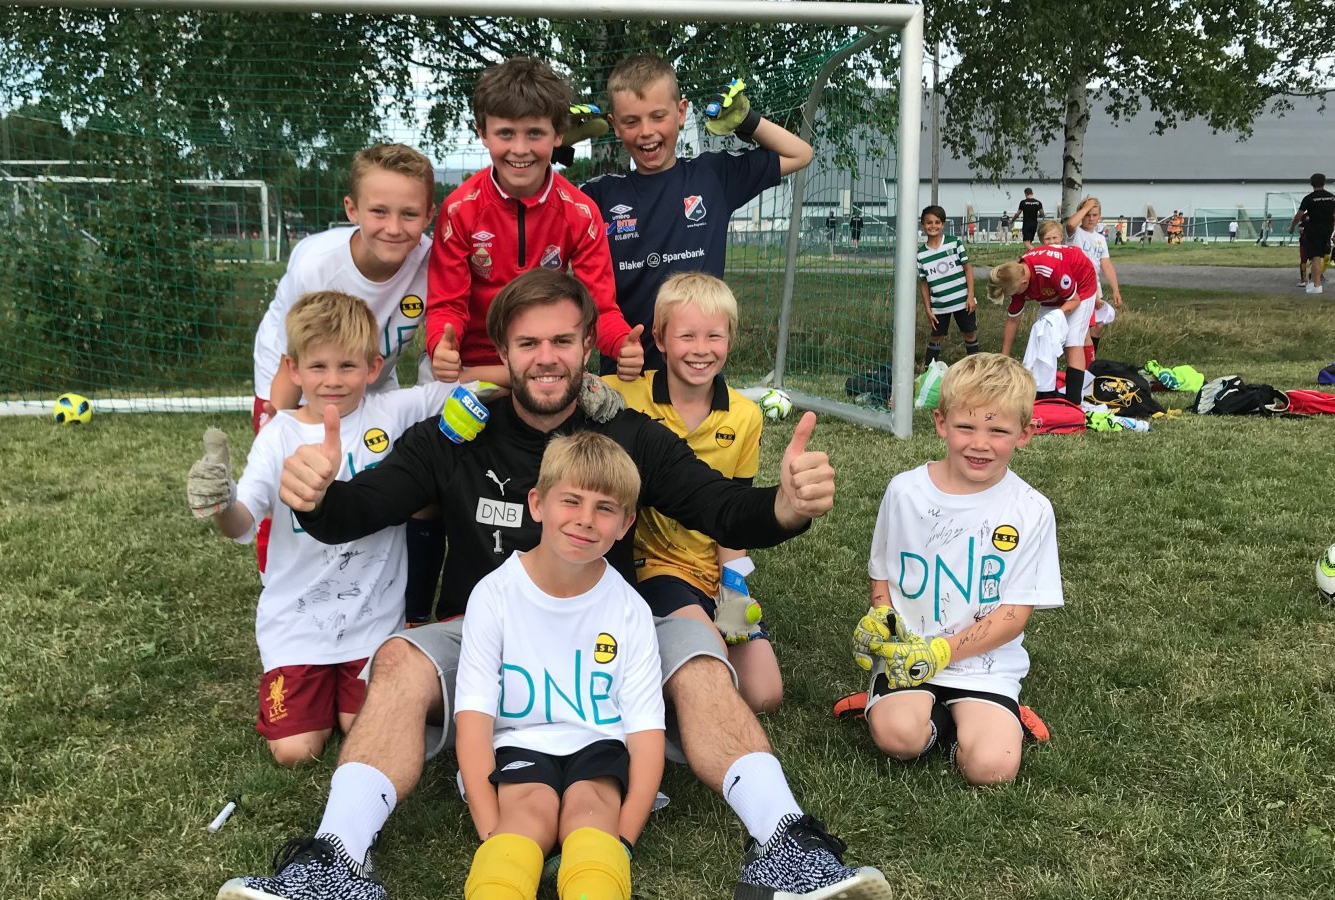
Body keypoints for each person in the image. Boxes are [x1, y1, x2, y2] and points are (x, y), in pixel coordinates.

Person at [216, 268, 890, 900]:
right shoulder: (454, 438)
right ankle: (335, 859)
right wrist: (317, 499)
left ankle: (786, 845)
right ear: (503, 353)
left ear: (588, 346)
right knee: (398, 659)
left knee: (700, 653)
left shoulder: (626, 435)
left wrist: (786, 506)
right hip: (486, 636)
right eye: (529, 343)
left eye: (563, 341)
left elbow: (719, 506)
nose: (547, 358)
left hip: (607, 636)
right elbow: (360, 511)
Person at [187, 291, 463, 767]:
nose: (333, 380)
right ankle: (305, 689)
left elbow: (469, 392)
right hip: (296, 624)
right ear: (293, 369)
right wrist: (221, 503)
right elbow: (242, 522)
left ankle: (345, 694)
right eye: (318, 367)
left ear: (373, 367)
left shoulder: (394, 411)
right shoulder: (279, 435)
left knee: (368, 727)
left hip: (373, 623)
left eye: (347, 366)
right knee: (296, 752)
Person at [456, 431, 664, 900]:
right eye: (571, 500)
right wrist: (492, 834)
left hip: (598, 743)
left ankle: (597, 881)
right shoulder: (494, 596)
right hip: (520, 743)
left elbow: (646, 735)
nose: (585, 520)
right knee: (527, 812)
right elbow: (473, 723)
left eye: (605, 508)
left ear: (626, 523)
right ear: (537, 504)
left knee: (591, 811)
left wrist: (622, 842)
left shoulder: (630, 610)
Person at [848, 353, 1064, 785]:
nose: (980, 443)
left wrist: (943, 652)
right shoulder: (904, 491)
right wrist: (882, 616)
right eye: (966, 426)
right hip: (908, 656)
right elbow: (882, 572)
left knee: (992, 769)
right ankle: (929, 720)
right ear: (941, 422)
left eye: (998, 431)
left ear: (1024, 434)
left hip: (986, 665)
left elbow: (1014, 613)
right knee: (898, 738)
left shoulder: (1031, 509)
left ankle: (980, 723)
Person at [248, 143, 436, 575]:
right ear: (352, 209)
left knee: (371, 476)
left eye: (409, 214)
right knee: (292, 474)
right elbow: (292, 358)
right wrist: (277, 424)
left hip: (372, 372)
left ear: (429, 215)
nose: (394, 227)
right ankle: (275, 572)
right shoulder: (316, 264)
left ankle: (360, 574)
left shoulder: (434, 261)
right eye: (379, 212)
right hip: (299, 368)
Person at [607, 272, 782, 714]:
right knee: (712, 663)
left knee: (764, 695)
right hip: (652, 568)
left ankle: (678, 648)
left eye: (714, 336)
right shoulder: (623, 393)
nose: (701, 349)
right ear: (660, 339)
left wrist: (734, 588)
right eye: (686, 335)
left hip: (711, 574)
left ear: (730, 340)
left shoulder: (745, 415)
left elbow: (733, 516)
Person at [579, 54, 813, 374]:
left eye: (658, 116)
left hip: (698, 372)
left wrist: (747, 120)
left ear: (681, 112)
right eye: (631, 121)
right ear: (615, 125)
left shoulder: (712, 176)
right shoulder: (599, 195)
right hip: (626, 373)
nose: (646, 131)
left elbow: (800, 153)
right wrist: (553, 140)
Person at [425, 56, 642, 385]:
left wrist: (621, 344)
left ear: (558, 134)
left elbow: (600, 308)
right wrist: (441, 346)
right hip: (469, 366)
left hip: (542, 363)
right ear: (482, 133)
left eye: (535, 133)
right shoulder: (459, 209)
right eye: (506, 133)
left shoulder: (581, 212)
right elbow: (446, 306)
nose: (520, 149)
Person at [990, 238, 1099, 409]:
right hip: (1053, 289)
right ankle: (1043, 391)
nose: (1016, 296)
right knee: (1042, 337)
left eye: (1015, 292)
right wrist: (1004, 356)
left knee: (1072, 340)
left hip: (1081, 285)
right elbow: (1013, 319)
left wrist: (1058, 314)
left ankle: (1074, 401)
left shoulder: (1051, 269)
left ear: (1024, 283)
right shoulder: (1016, 277)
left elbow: (1074, 300)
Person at [917, 205, 978, 365]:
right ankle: (928, 371)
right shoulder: (921, 254)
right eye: (929, 222)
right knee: (936, 337)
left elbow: (968, 269)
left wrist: (971, 296)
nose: (933, 226)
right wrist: (928, 309)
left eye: (937, 222)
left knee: (970, 334)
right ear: (923, 225)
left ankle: (976, 369)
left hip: (963, 301)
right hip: (939, 305)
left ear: (943, 224)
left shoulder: (954, 243)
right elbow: (924, 283)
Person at [1064, 197, 1123, 359]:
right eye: (1087, 215)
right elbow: (1070, 225)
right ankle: (1082, 362)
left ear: (1100, 216)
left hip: (1095, 286)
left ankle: (1090, 359)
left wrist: (1115, 290)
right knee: (1082, 328)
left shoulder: (1100, 239)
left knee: (1097, 326)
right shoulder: (1075, 234)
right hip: (1079, 287)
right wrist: (1085, 207)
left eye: (1094, 215)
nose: (1090, 219)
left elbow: (1106, 265)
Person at [1290, 173, 1335, 295]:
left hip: (1313, 229)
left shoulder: (1309, 198)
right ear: (1324, 182)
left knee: (1315, 257)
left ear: (1311, 183)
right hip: (1328, 229)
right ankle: (1315, 282)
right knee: (1321, 255)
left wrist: (1292, 227)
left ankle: (1316, 285)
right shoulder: (1333, 198)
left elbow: (1298, 216)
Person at [1017, 188, 1043, 252]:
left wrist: (1012, 220)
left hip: (1026, 224)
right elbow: (1042, 214)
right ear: (1032, 193)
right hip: (1034, 224)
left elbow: (1018, 213)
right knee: (1029, 242)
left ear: (1025, 194)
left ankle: (1036, 252)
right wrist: (1036, 215)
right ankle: (1027, 256)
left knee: (1026, 242)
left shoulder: (1023, 202)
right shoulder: (1038, 202)